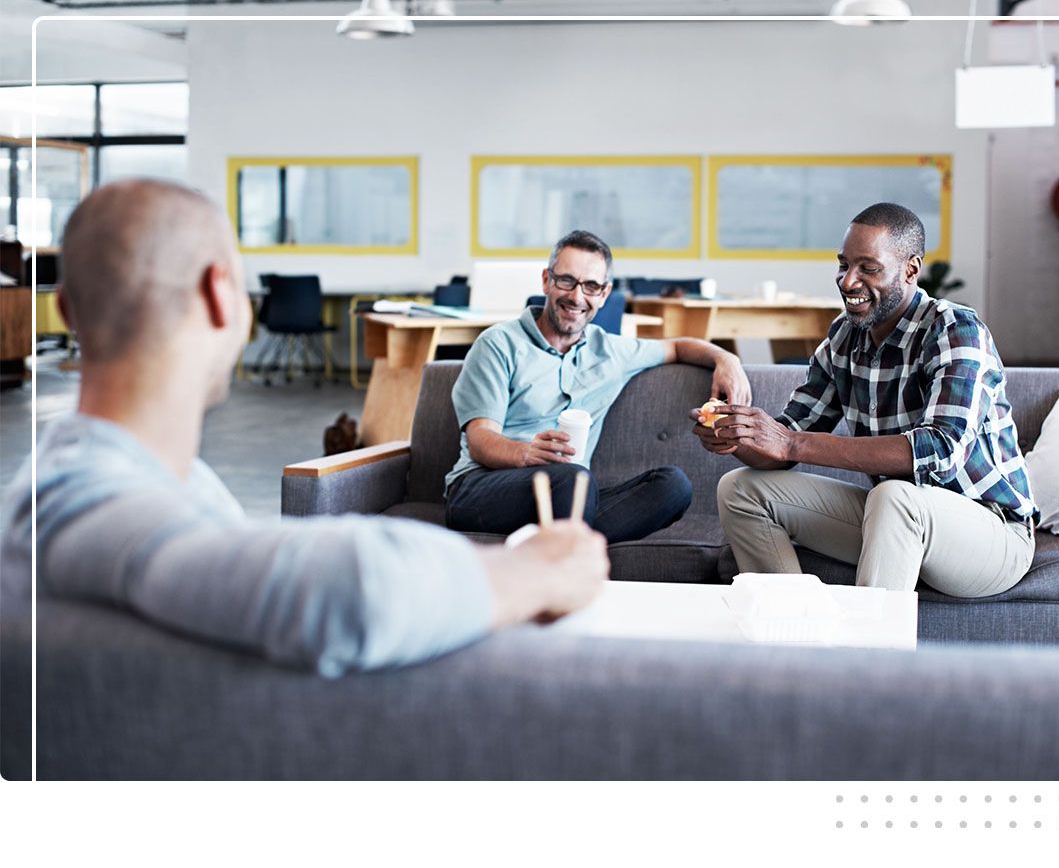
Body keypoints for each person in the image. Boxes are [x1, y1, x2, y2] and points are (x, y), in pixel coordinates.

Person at [0, 179, 610, 678]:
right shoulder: (86, 501)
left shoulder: (113, 477)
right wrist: (538, 569)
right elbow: (344, 594)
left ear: (71, 312)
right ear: (220, 296)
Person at [695, 203, 1036, 598]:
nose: (847, 281)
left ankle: (865, 657)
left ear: (911, 269)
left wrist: (790, 442)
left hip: (992, 535)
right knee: (741, 489)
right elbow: (787, 442)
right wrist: (739, 434)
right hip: (891, 519)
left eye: (868, 269)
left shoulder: (955, 329)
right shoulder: (844, 337)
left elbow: (940, 449)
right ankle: (792, 631)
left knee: (894, 496)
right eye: (843, 265)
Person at [444, 229, 751, 543]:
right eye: (566, 280)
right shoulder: (499, 344)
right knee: (574, 479)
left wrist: (726, 359)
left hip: (569, 495)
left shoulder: (611, 351)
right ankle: (568, 552)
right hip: (482, 486)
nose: (577, 297)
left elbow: (677, 347)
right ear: (546, 281)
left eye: (591, 286)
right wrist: (526, 453)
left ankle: (553, 542)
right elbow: (481, 439)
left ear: (604, 294)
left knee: (673, 485)